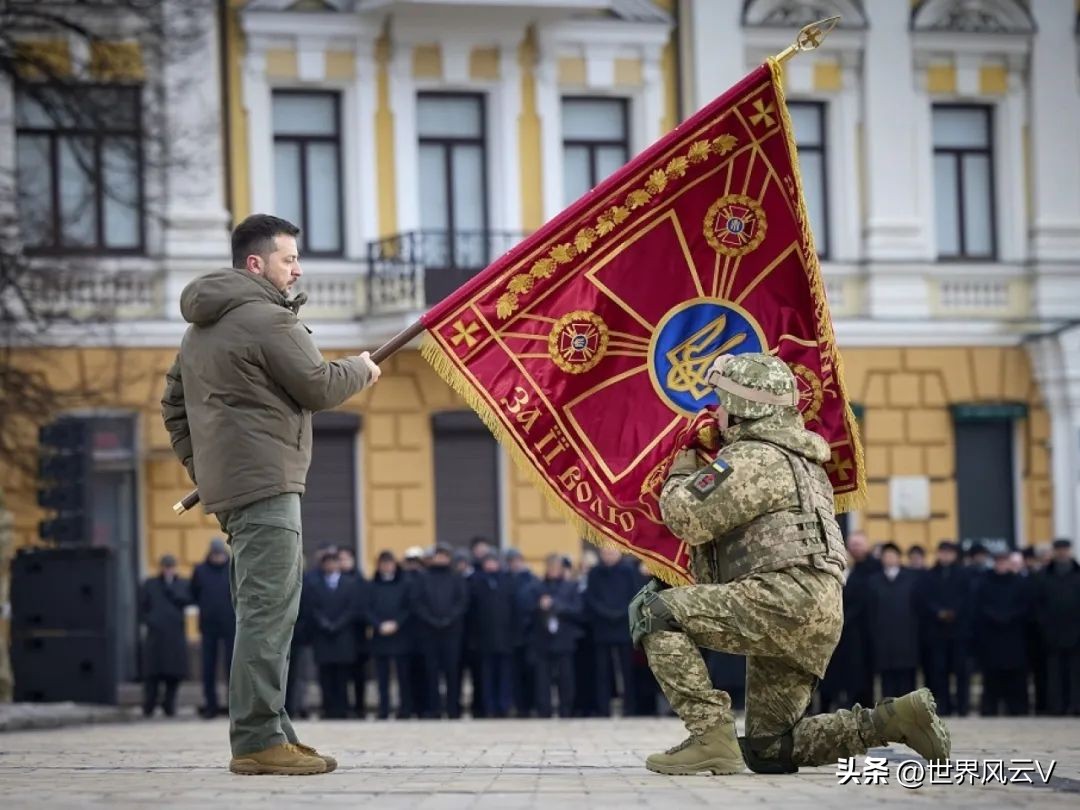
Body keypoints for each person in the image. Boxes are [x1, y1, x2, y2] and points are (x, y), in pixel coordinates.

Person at [629, 353, 950, 775]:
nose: (717, 414)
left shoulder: (753, 458)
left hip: (780, 597)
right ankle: (889, 721)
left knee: (652, 611)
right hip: (816, 608)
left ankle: (709, 734)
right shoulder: (806, 462)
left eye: (722, 403)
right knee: (770, 747)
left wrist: (682, 465)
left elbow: (685, 515)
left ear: (742, 409)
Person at [161, 213, 381, 775]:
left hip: (234, 490)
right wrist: (360, 368)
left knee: (260, 608)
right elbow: (319, 385)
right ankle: (258, 739)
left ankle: (274, 729)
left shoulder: (199, 328)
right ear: (256, 264)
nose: (297, 269)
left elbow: (173, 406)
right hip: (268, 486)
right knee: (269, 613)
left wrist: (203, 469)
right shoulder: (266, 319)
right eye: (288, 259)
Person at [916, 541, 972, 716]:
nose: (945, 556)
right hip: (937, 631)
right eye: (942, 552)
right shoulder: (930, 575)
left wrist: (954, 612)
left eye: (949, 552)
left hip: (959, 631)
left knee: (961, 671)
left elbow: (968, 598)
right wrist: (938, 612)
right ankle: (945, 706)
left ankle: (963, 706)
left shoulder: (964, 574)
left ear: (955, 555)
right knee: (939, 671)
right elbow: (925, 599)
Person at [972, 551, 1031, 716]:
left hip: (1014, 636)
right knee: (991, 677)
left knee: (1015, 677)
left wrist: (1009, 617)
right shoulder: (984, 582)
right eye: (998, 562)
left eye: (1004, 562)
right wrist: (994, 616)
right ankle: (990, 710)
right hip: (991, 637)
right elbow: (978, 606)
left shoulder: (1020, 582)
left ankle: (1017, 710)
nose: (1001, 565)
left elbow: (1026, 606)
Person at [412, 546, 468, 718]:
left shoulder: (456, 578)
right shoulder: (423, 578)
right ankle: (434, 708)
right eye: (437, 556)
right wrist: (432, 620)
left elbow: (462, 601)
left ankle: (453, 708)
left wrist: (448, 619)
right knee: (431, 671)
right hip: (429, 632)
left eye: (444, 556)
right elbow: (417, 602)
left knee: (452, 671)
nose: (441, 559)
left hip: (452, 632)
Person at [586, 546, 638, 717]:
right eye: (605, 553)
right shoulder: (594, 573)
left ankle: (629, 708)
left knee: (627, 670)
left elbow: (635, 595)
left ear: (618, 554)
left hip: (623, 625)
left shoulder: (628, 571)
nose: (608, 556)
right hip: (602, 626)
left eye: (611, 553)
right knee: (602, 671)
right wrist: (606, 613)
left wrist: (620, 613)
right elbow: (591, 598)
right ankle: (603, 709)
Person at [531, 553, 584, 718]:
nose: (553, 571)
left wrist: (556, 605)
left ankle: (566, 709)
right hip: (542, 639)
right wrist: (539, 606)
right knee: (542, 679)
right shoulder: (537, 587)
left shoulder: (571, 586)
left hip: (564, 639)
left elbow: (578, 611)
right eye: (550, 567)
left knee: (566, 678)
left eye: (556, 568)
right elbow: (527, 611)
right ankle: (544, 710)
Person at [139, 554, 191, 718]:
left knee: (173, 674)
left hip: (175, 634)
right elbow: (142, 605)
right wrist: (149, 620)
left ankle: (169, 705)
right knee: (152, 674)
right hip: (156, 634)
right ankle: (149, 705)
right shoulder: (151, 583)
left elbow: (187, 601)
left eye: (171, 566)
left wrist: (171, 588)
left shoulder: (182, 583)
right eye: (165, 566)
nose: (168, 570)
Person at [467, 553, 518, 718]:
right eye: (487, 562)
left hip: (505, 638)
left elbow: (515, 610)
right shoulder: (476, 583)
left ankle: (504, 706)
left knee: (505, 675)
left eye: (493, 562)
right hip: (484, 639)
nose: (490, 565)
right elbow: (471, 614)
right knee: (486, 676)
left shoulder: (507, 582)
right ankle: (488, 707)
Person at [868, 543, 921, 698]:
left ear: (899, 558)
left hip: (907, 639)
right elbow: (871, 612)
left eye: (893, 555)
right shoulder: (874, 581)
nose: (889, 558)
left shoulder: (911, 580)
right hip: (884, 639)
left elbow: (917, 609)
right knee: (887, 680)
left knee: (907, 680)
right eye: (886, 555)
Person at [191, 538, 236, 718]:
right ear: (210, 554)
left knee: (231, 667)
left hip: (230, 623)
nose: (217, 558)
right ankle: (211, 705)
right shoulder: (200, 570)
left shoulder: (232, 569)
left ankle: (233, 705)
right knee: (208, 666)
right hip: (208, 624)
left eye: (220, 554)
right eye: (214, 554)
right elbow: (194, 593)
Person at [1035, 538, 1080, 715]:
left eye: (1065, 549)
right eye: (1059, 549)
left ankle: (1075, 705)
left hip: (1077, 632)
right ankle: (1056, 706)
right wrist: (1044, 626)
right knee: (1054, 673)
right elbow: (1038, 605)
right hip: (1052, 632)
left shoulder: (1077, 574)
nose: (1062, 552)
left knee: (1076, 672)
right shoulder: (1044, 576)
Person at [369, 551, 413, 719]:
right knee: (382, 677)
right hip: (380, 635)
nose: (386, 566)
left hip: (400, 635)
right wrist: (378, 624)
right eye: (383, 563)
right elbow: (366, 608)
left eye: (389, 563)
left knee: (403, 676)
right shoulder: (372, 585)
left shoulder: (404, 584)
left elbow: (408, 607)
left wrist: (396, 623)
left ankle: (405, 709)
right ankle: (384, 709)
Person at [338, 547, 371, 718]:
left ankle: (360, 707)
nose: (343, 562)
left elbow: (367, 606)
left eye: (346, 559)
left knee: (360, 674)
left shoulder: (361, 581)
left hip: (358, 635)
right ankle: (343, 707)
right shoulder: (335, 580)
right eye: (340, 559)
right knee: (341, 675)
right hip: (340, 635)